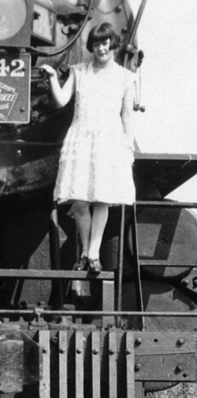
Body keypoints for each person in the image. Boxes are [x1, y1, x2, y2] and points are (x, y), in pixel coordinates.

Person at [42, 22, 136, 273]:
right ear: (91, 47)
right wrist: (52, 78)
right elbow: (62, 100)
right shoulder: (80, 71)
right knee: (81, 202)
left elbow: (127, 116)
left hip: (110, 141)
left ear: (112, 44)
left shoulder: (125, 78)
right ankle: (86, 251)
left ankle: (92, 254)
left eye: (105, 43)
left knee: (103, 200)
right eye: (96, 44)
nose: (101, 48)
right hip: (81, 139)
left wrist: (128, 149)